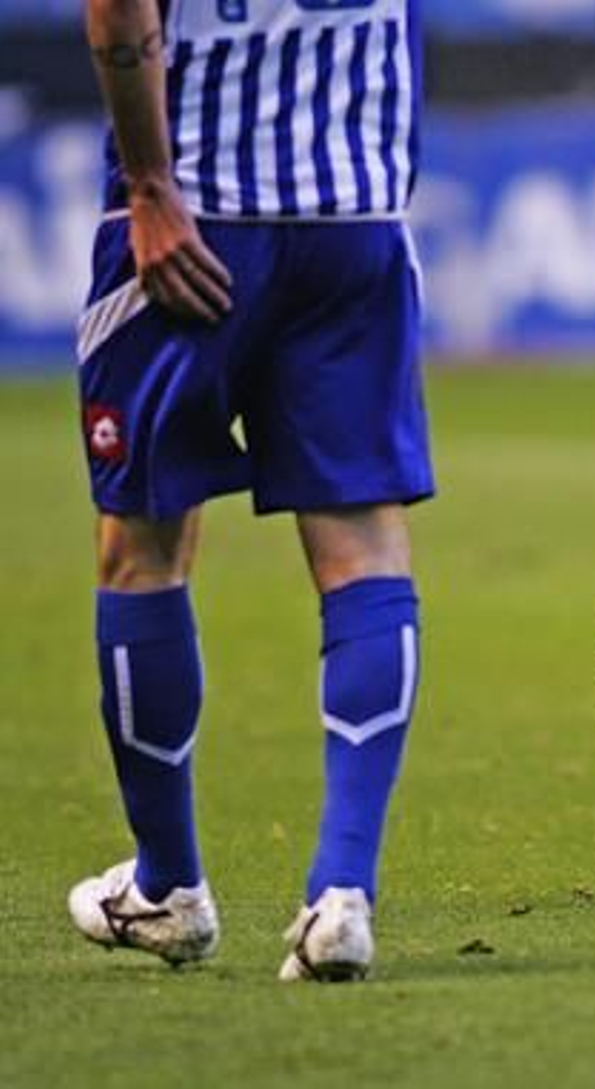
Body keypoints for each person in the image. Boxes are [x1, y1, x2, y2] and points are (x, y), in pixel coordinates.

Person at [68, 0, 430, 981]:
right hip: (353, 217)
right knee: (364, 546)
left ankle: (167, 886)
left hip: (194, 214)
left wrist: (150, 186)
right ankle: (343, 893)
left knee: (141, 548)